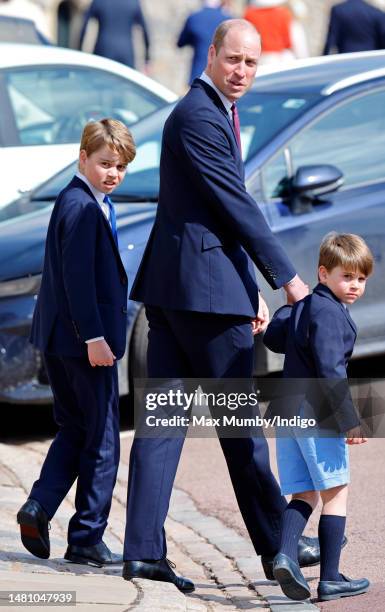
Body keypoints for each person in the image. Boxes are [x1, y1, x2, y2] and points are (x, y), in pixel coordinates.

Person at [122, 19, 320, 593]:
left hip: (186, 289)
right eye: (233, 59)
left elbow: (212, 213)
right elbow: (235, 203)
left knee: (163, 425)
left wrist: (247, 284)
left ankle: (142, 554)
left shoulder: (208, 112)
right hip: (204, 301)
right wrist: (286, 278)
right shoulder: (199, 116)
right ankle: (277, 545)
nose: (241, 72)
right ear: (210, 54)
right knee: (241, 429)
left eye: (251, 64)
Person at [16, 119, 136, 568]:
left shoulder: (81, 201)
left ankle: (39, 506)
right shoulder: (83, 207)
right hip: (85, 342)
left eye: (120, 166)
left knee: (75, 428)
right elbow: (77, 280)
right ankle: (86, 536)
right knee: (103, 438)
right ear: (82, 157)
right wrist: (95, 336)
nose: (113, 174)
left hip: (58, 339)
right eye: (105, 163)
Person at [263, 232, 373, 601]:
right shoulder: (329, 314)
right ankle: (330, 578)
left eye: (361, 278)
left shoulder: (307, 306)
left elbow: (274, 338)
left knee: (305, 492)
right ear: (323, 273)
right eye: (346, 276)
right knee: (336, 491)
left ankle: (284, 554)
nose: (355, 285)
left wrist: (288, 305)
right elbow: (330, 370)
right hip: (317, 412)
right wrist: (348, 418)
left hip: (288, 411)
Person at [78, 0, 150, 70]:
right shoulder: (133, 2)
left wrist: (79, 51)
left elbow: (84, 26)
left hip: (103, 50)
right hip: (126, 53)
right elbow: (145, 29)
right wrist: (147, 58)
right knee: (125, 80)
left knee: (100, 80)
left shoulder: (99, 1)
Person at [177, 0, 232, 85]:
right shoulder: (229, 21)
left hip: (198, 74)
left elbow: (180, 43)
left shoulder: (194, 17)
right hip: (222, 78)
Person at [244, 0, 296, 65]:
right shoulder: (284, 13)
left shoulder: (248, 14)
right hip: (280, 56)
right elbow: (294, 38)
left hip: (259, 57)